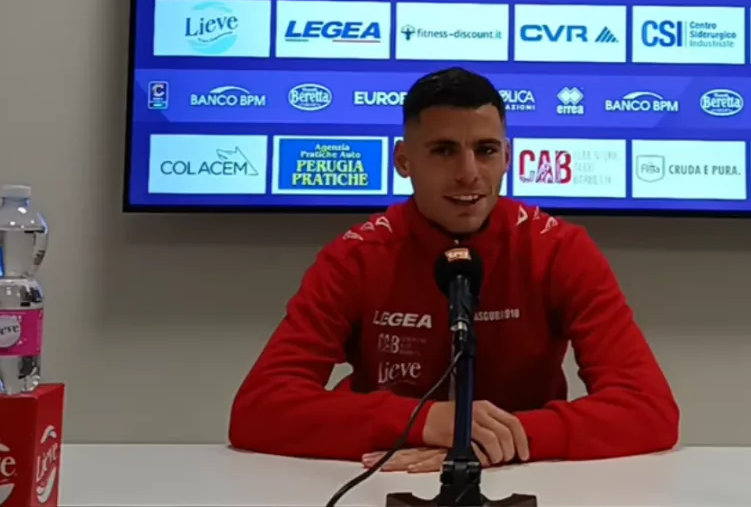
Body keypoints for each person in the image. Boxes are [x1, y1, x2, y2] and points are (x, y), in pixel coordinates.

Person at [228, 67, 679, 472]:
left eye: (485, 150)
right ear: (403, 161)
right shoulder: (357, 257)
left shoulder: (559, 250)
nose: (468, 173)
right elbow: (259, 409)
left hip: (521, 477)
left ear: (507, 157)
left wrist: (495, 441)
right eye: (443, 150)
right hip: (383, 474)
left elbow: (649, 411)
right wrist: (424, 421)